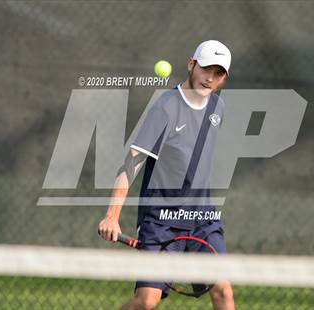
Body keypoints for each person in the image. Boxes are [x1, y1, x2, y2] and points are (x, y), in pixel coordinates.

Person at [99, 40, 235, 310]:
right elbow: (131, 165)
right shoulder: (165, 109)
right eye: (206, 69)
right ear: (191, 64)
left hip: (202, 220)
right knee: (147, 300)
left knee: (223, 291)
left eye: (219, 73)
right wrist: (111, 216)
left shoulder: (216, 109)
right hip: (160, 222)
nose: (210, 78)